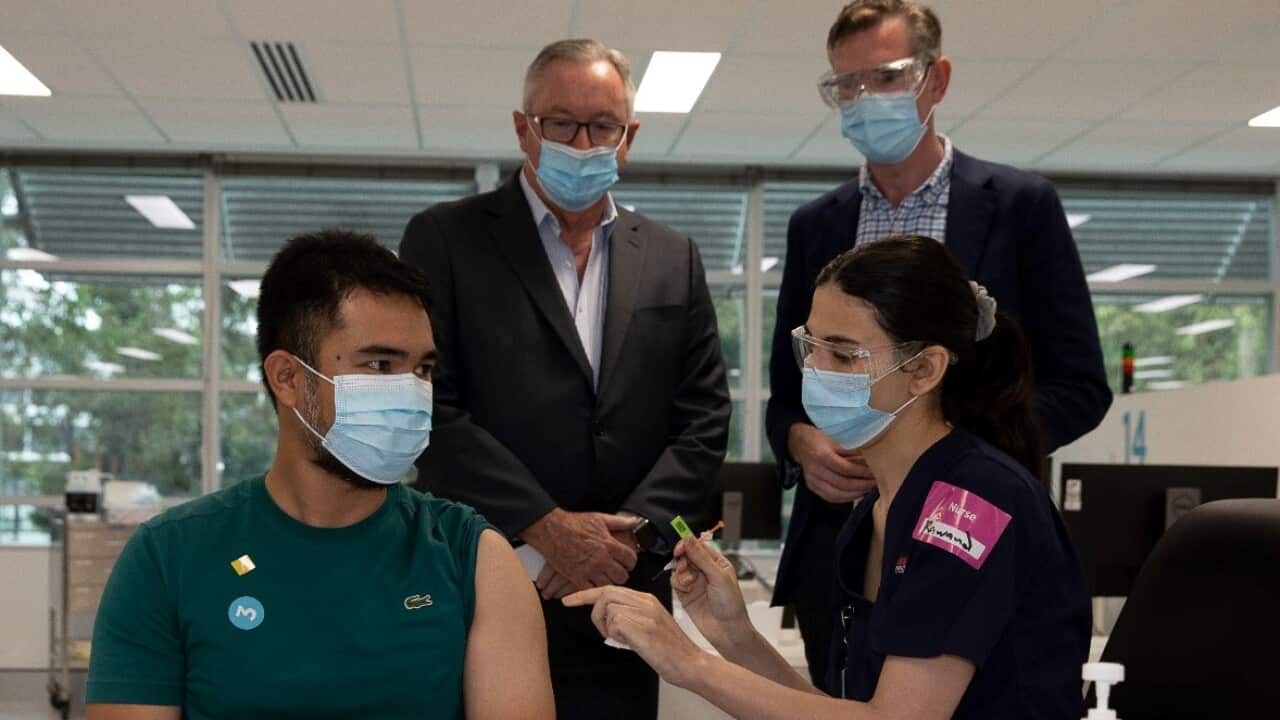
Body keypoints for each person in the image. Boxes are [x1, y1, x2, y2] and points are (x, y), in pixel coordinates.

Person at [568, 236, 1092, 719]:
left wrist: (687, 663)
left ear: (926, 369)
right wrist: (733, 635)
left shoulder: (970, 503)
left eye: (843, 353)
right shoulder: (877, 506)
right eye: (812, 345)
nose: (814, 369)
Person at [766, 0, 1111, 683]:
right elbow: (789, 392)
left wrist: (955, 457)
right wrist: (803, 443)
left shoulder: (1019, 208)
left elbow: (1080, 386)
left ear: (936, 80)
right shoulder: (816, 225)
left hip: (964, 535)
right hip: (837, 537)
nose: (865, 100)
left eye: (887, 78)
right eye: (847, 85)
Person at [84, 230, 554, 720]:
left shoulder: (473, 559)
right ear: (287, 377)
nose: (411, 393)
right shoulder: (169, 558)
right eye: (378, 363)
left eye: (422, 370)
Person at [398, 39, 731, 720]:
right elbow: (429, 406)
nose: (582, 142)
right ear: (524, 128)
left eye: (602, 126)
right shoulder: (447, 239)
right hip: (489, 573)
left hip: (626, 595)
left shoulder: (673, 256)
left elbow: (703, 419)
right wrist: (545, 528)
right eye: (560, 123)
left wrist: (626, 541)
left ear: (628, 137)